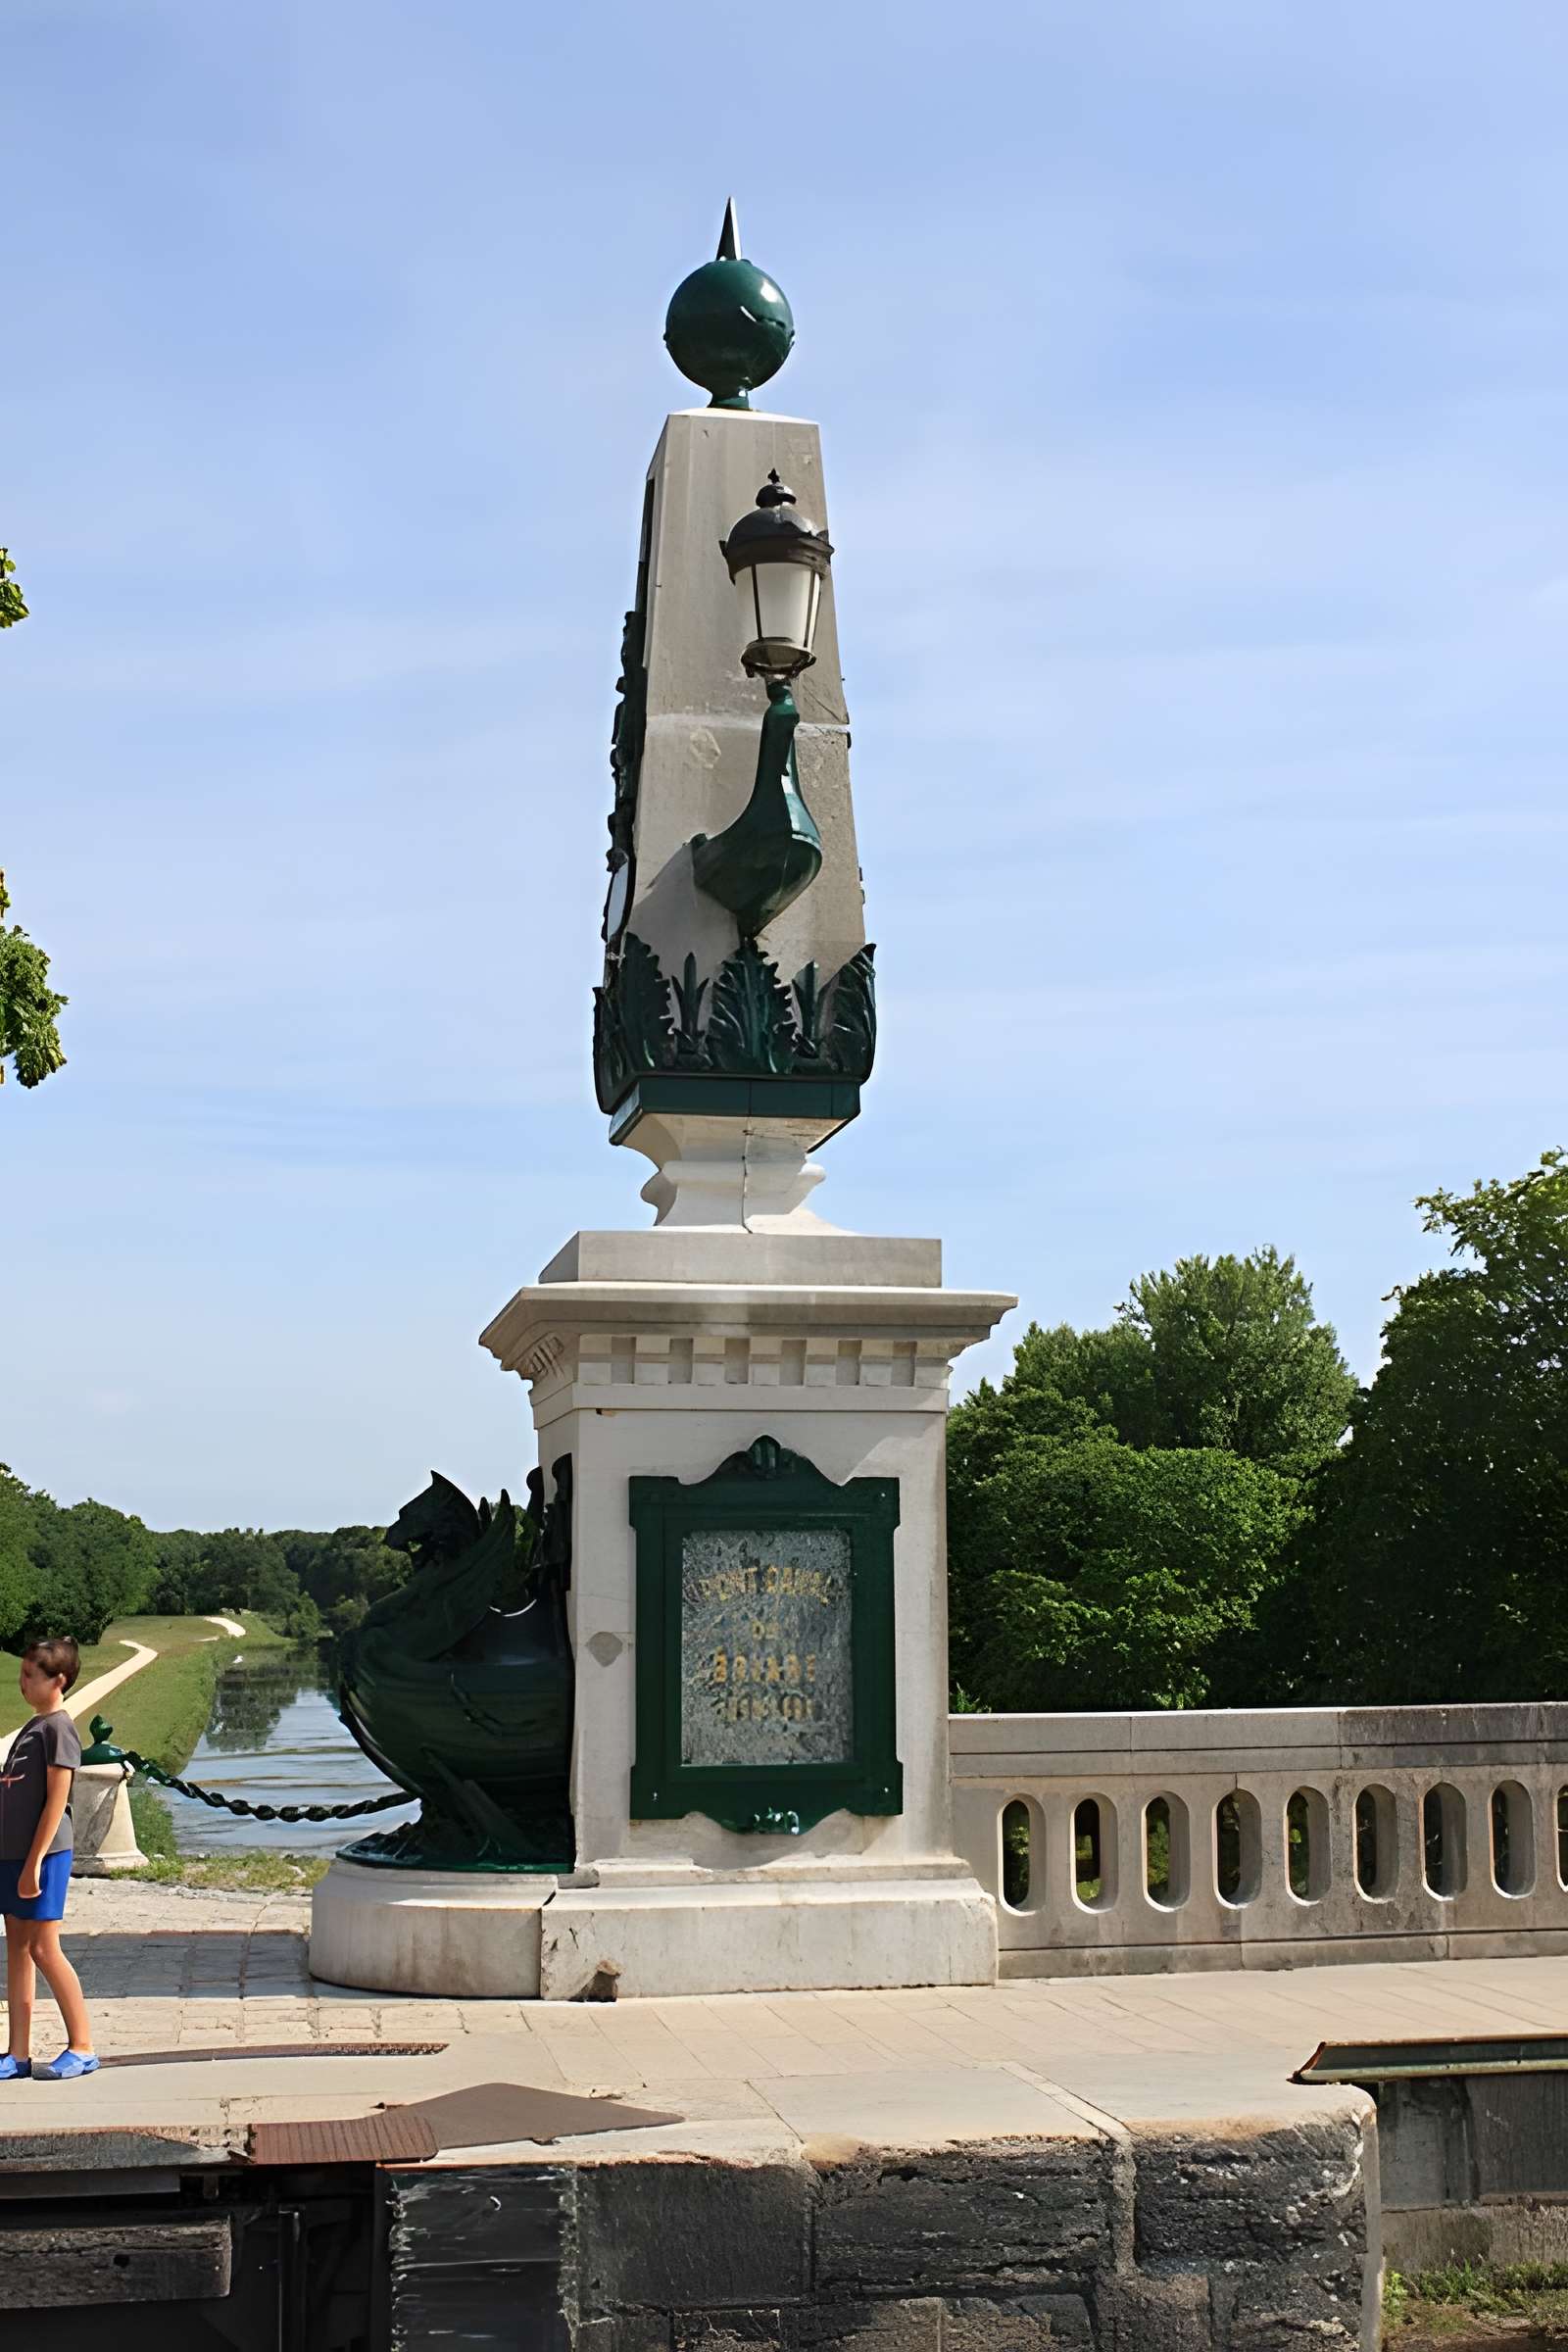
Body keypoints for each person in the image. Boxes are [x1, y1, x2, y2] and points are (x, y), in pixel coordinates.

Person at [0, 1636, 98, 2081]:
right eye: (21, 1673)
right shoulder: (35, 1725)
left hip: (43, 1856)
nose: (22, 1683)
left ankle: (83, 2045)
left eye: (30, 1676)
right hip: (12, 1855)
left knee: (43, 1947)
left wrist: (35, 1861)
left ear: (58, 1680)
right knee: (17, 1950)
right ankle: (16, 2054)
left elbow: (57, 1800)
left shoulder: (59, 1726)